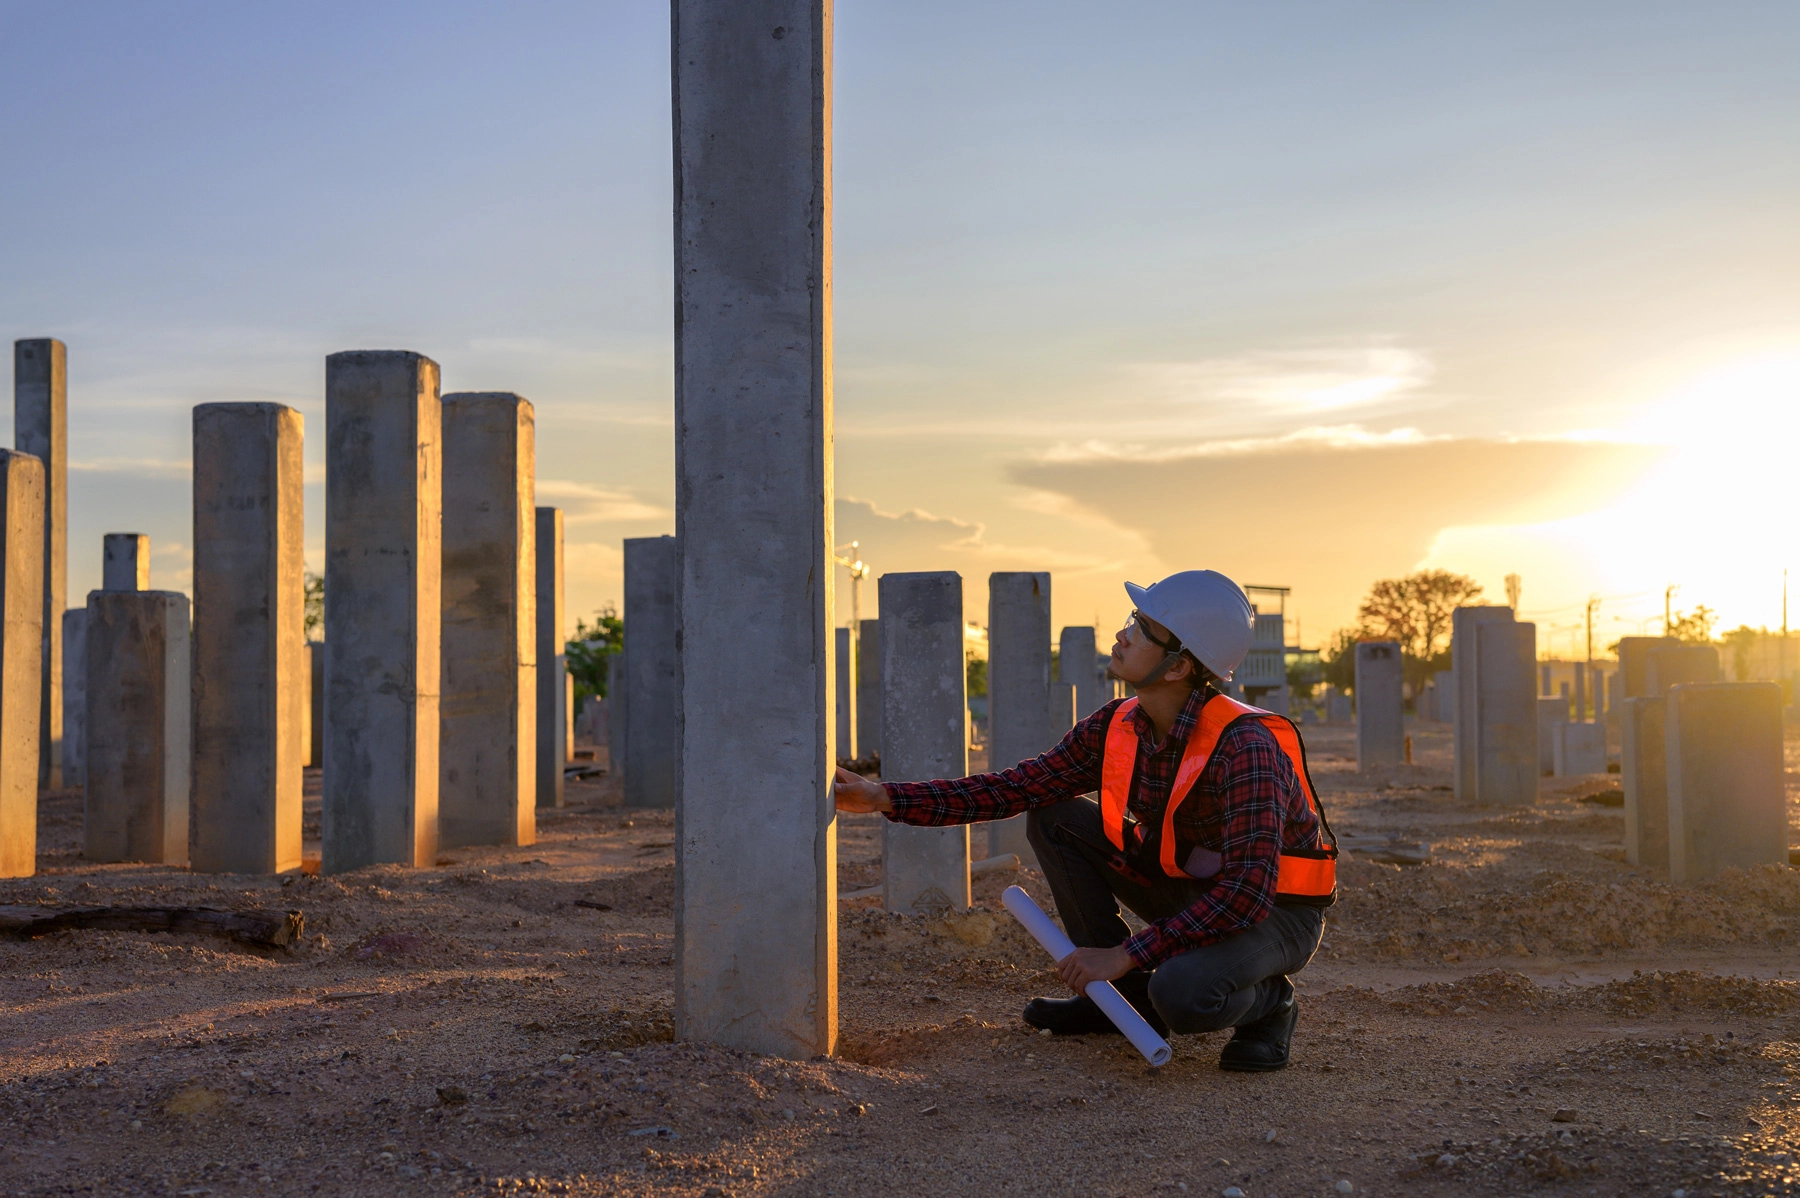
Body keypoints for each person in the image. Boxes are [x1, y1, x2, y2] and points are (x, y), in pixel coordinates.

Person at [833, 569, 1338, 1072]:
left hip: (1275, 912)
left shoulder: (1246, 748)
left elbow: (1247, 893)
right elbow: (1015, 788)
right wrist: (885, 797)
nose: (1123, 634)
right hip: (1196, 891)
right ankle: (1119, 1001)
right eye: (1131, 620)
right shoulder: (1116, 725)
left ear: (1178, 667)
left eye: (1141, 628)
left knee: (1182, 993)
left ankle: (1271, 1004)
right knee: (1054, 814)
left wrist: (1128, 952)